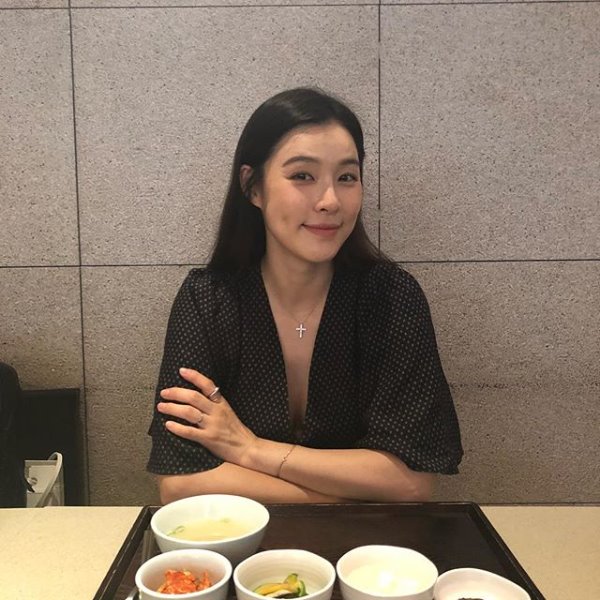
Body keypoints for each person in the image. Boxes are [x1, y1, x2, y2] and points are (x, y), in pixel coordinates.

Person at [147, 88, 462, 504]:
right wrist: (351, 496)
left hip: (370, 547)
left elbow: (412, 481)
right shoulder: (208, 300)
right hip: (243, 542)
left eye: (346, 177)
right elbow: (180, 482)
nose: (330, 201)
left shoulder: (390, 298)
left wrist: (250, 450)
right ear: (252, 186)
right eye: (302, 176)